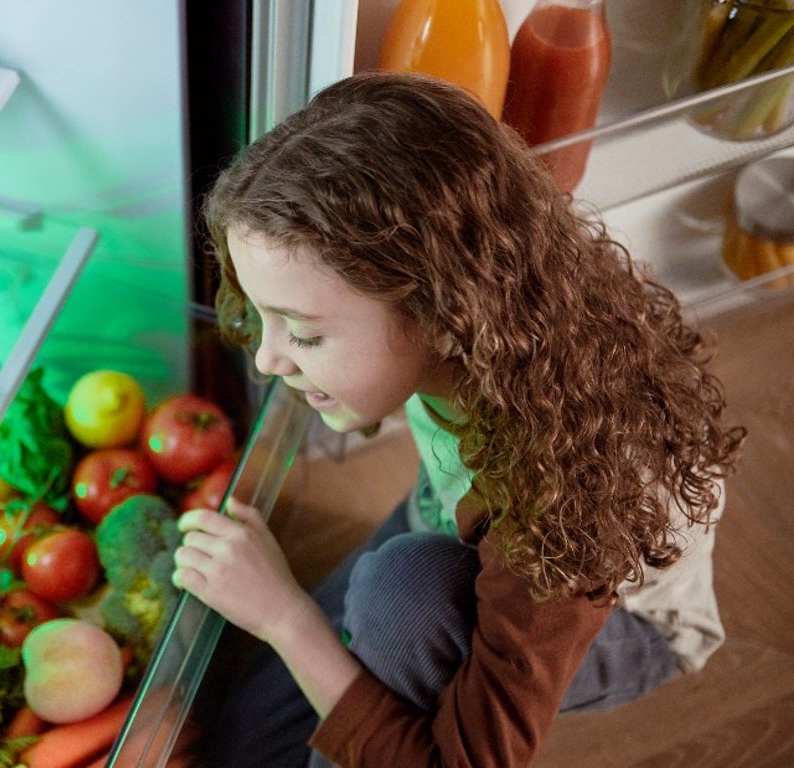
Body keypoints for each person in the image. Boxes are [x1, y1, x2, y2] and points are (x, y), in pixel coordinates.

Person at [171, 71, 746, 768]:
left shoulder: (558, 501)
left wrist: (284, 617)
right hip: (459, 522)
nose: (267, 359)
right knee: (242, 746)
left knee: (398, 593)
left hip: (623, 622)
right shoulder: (492, 328)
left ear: (444, 314)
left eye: (305, 334)